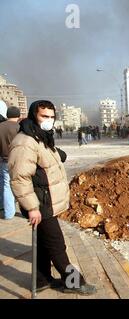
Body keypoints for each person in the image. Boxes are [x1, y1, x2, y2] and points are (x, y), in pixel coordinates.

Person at [8, 100, 97, 295]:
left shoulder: (40, 136)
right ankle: (74, 282)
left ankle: (41, 280)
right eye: (44, 116)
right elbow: (20, 177)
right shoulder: (25, 141)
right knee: (57, 245)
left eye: (51, 117)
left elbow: (44, 161)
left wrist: (58, 155)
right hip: (40, 204)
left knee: (43, 243)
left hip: (45, 200)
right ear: (33, 116)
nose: (49, 120)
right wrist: (31, 207)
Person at [0, 106, 21, 219]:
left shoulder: (0, 127)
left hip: (4, 161)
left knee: (6, 185)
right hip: (19, 161)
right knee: (21, 184)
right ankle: (26, 211)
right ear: (18, 116)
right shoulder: (20, 127)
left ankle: (8, 213)